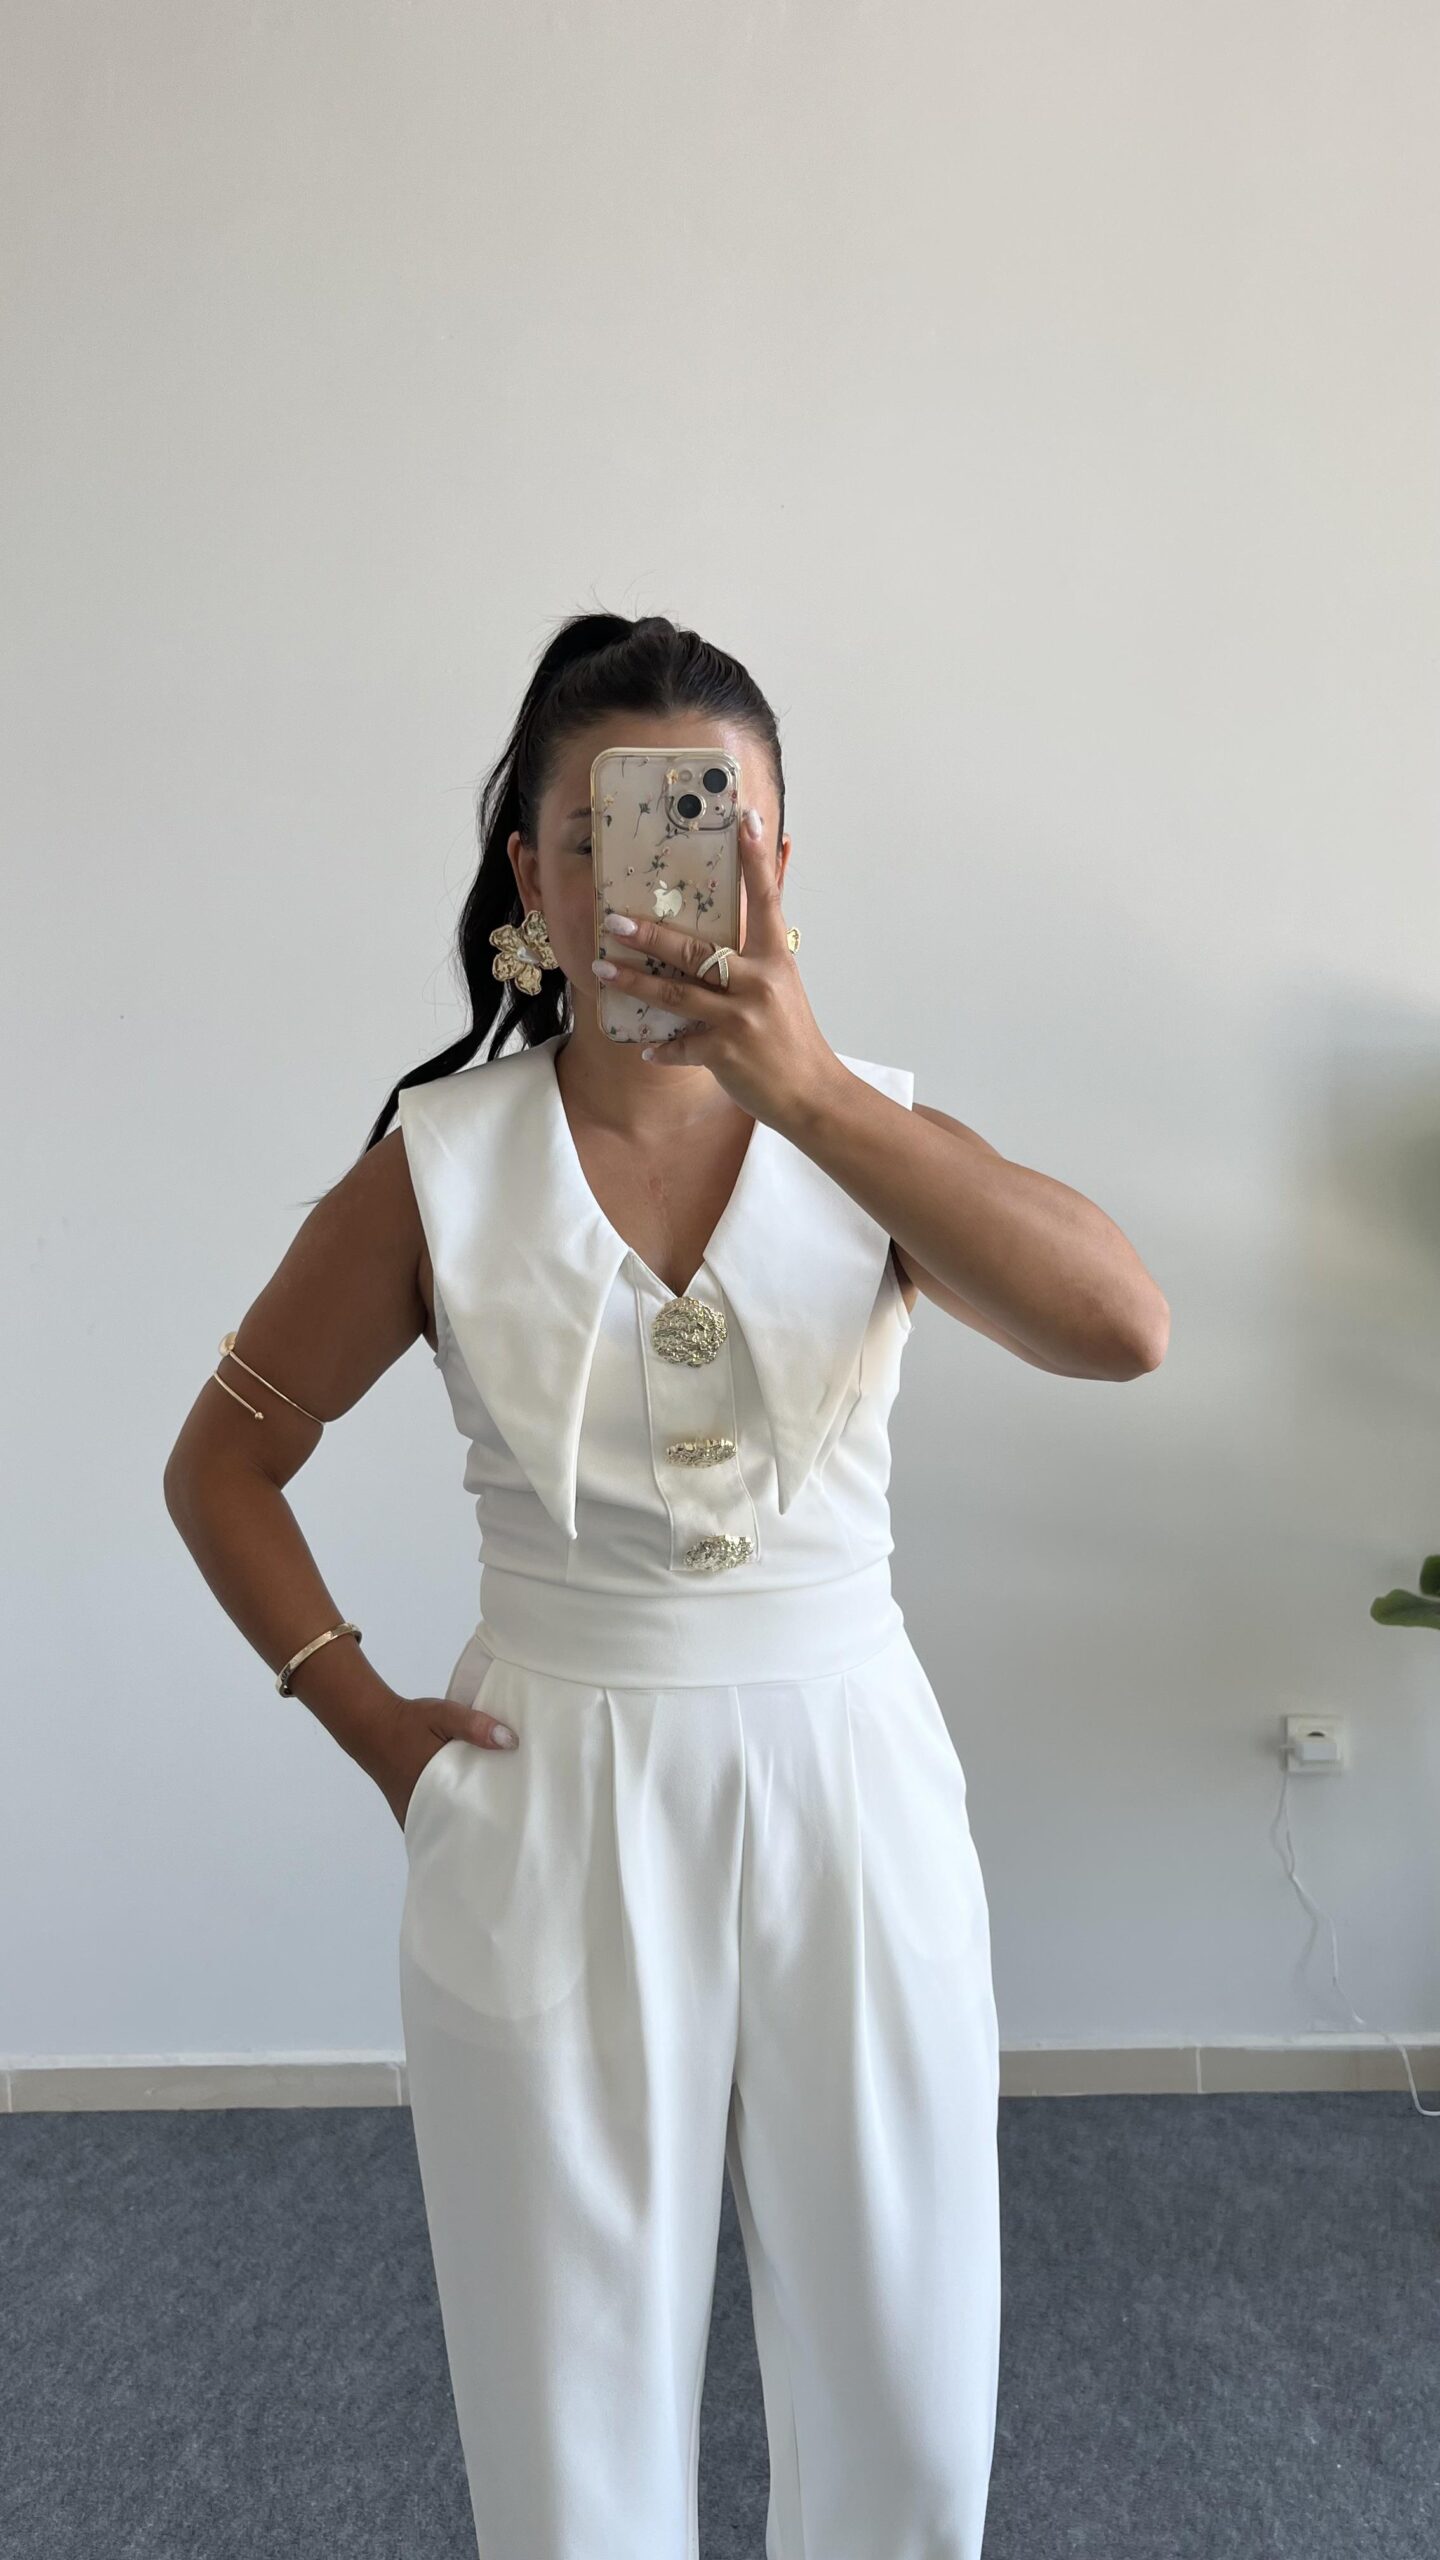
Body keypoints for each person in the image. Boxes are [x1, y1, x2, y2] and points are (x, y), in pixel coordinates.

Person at [164, 609, 1170, 2559]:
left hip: (852, 1782)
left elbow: (1123, 1327)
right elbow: (223, 1460)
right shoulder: (438, 1168)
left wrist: (816, 1096)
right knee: (567, 2406)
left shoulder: (876, 1134)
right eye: (600, 831)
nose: (656, 875)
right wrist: (373, 1727)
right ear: (534, 878)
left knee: (907, 2374)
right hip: (549, 1787)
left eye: (719, 827)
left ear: (779, 863)